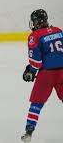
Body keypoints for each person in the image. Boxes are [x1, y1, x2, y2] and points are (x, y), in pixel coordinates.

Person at [21, 9, 63, 143]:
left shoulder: (35, 35)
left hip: (46, 74)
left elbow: (36, 62)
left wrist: (30, 71)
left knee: (36, 104)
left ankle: (28, 133)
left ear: (37, 22)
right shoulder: (58, 30)